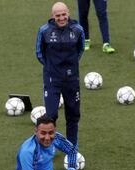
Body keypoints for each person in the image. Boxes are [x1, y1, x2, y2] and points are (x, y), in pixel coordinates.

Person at [36, 2, 84, 147]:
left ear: (68, 13)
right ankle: (48, 147)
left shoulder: (77, 29)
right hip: (52, 79)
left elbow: (80, 50)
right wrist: (51, 67)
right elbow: (39, 53)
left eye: (64, 14)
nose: (61, 18)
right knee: (50, 116)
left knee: (73, 116)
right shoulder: (44, 31)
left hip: (72, 79)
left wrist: (71, 66)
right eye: (58, 15)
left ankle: (71, 147)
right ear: (53, 16)